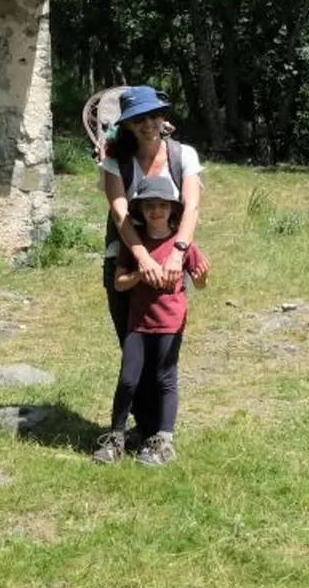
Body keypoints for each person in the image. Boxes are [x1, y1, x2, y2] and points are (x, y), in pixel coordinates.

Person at [95, 174, 207, 466]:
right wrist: (139, 275)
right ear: (141, 210)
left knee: (165, 379)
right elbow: (119, 282)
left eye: (162, 205)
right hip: (138, 323)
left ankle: (163, 441)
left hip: (170, 322)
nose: (156, 211)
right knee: (128, 379)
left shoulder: (183, 244)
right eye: (149, 206)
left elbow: (200, 283)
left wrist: (202, 275)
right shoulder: (134, 246)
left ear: (173, 209)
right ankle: (115, 437)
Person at [100, 85, 204, 343]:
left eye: (153, 116)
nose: (148, 124)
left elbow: (191, 206)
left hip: (172, 258)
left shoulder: (184, 156)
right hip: (126, 260)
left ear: (163, 117)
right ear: (128, 126)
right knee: (132, 347)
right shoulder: (116, 163)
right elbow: (119, 213)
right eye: (138, 119)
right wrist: (143, 259)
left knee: (164, 347)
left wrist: (178, 255)